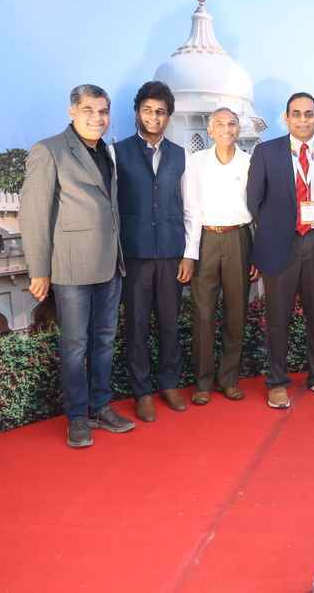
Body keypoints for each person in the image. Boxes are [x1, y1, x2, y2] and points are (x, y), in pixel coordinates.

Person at [19, 84, 134, 448]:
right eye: (88, 110)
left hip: (110, 263)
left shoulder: (106, 152)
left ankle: (100, 407)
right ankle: (77, 417)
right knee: (74, 346)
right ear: (72, 111)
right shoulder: (48, 150)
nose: (97, 118)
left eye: (103, 111)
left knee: (104, 341)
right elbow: (34, 214)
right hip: (71, 268)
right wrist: (39, 270)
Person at [248, 92, 314, 409]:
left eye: (309, 114)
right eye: (297, 114)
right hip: (282, 243)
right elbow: (254, 200)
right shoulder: (266, 152)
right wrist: (278, 230)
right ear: (286, 118)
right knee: (278, 316)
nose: (303, 119)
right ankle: (277, 381)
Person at [114, 80, 190, 422]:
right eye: (147, 111)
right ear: (137, 113)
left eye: (160, 112)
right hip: (136, 254)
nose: (154, 117)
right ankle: (142, 391)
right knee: (137, 326)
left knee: (170, 323)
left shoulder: (180, 155)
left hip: (172, 253)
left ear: (169, 116)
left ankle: (169, 384)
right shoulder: (118, 153)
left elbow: (188, 206)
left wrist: (188, 254)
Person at [184, 107, 253, 405]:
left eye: (232, 124)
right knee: (203, 314)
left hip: (239, 238)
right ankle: (203, 382)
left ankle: (229, 379)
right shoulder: (196, 162)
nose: (227, 129)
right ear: (210, 130)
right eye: (220, 124)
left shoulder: (249, 162)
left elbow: (258, 208)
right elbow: (191, 208)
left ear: (238, 129)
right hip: (205, 240)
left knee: (236, 313)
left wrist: (256, 254)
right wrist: (189, 253)